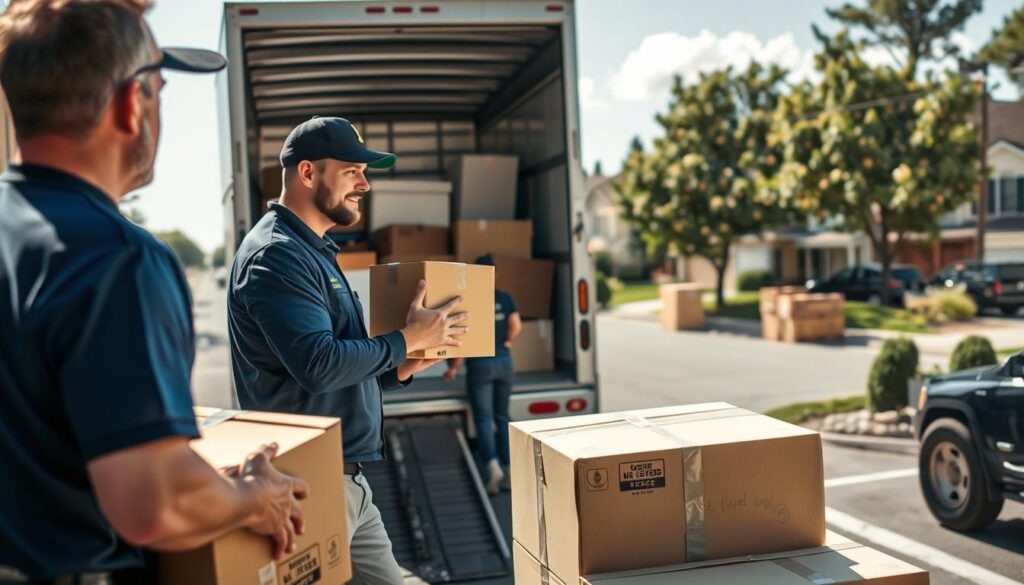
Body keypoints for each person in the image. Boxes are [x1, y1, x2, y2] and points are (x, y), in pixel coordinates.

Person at [0, 1, 308, 582]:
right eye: (161, 90)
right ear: (131, 104)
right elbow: (154, 502)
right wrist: (253, 499)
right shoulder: (115, 259)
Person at [228, 116, 468, 585]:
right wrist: (405, 340)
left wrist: (403, 364)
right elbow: (318, 366)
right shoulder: (276, 255)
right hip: (309, 482)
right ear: (308, 174)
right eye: (352, 171)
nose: (365, 185)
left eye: (365, 172)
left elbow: (339, 363)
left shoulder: (314, 251)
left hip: (349, 482)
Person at [443, 255, 522, 494]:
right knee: (502, 417)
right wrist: (508, 341)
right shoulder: (505, 298)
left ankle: (492, 466)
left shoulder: (470, 301)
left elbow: (463, 340)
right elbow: (516, 325)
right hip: (504, 364)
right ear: (494, 274)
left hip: (480, 367)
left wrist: (453, 368)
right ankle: (509, 471)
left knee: (483, 419)